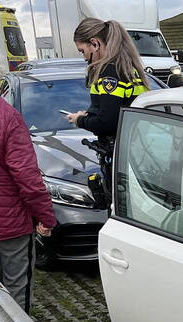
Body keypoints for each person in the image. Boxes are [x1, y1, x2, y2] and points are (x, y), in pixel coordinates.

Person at [0, 47, 56, 313]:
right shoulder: (4, 115)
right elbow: (26, 176)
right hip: (10, 223)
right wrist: (46, 217)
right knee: (16, 288)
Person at [65, 18, 149, 205]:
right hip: (139, 152)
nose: (85, 58)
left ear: (94, 43)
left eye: (82, 51)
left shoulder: (110, 72)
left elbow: (108, 122)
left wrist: (79, 120)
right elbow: (118, 110)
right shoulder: (126, 67)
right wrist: (91, 115)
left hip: (124, 156)